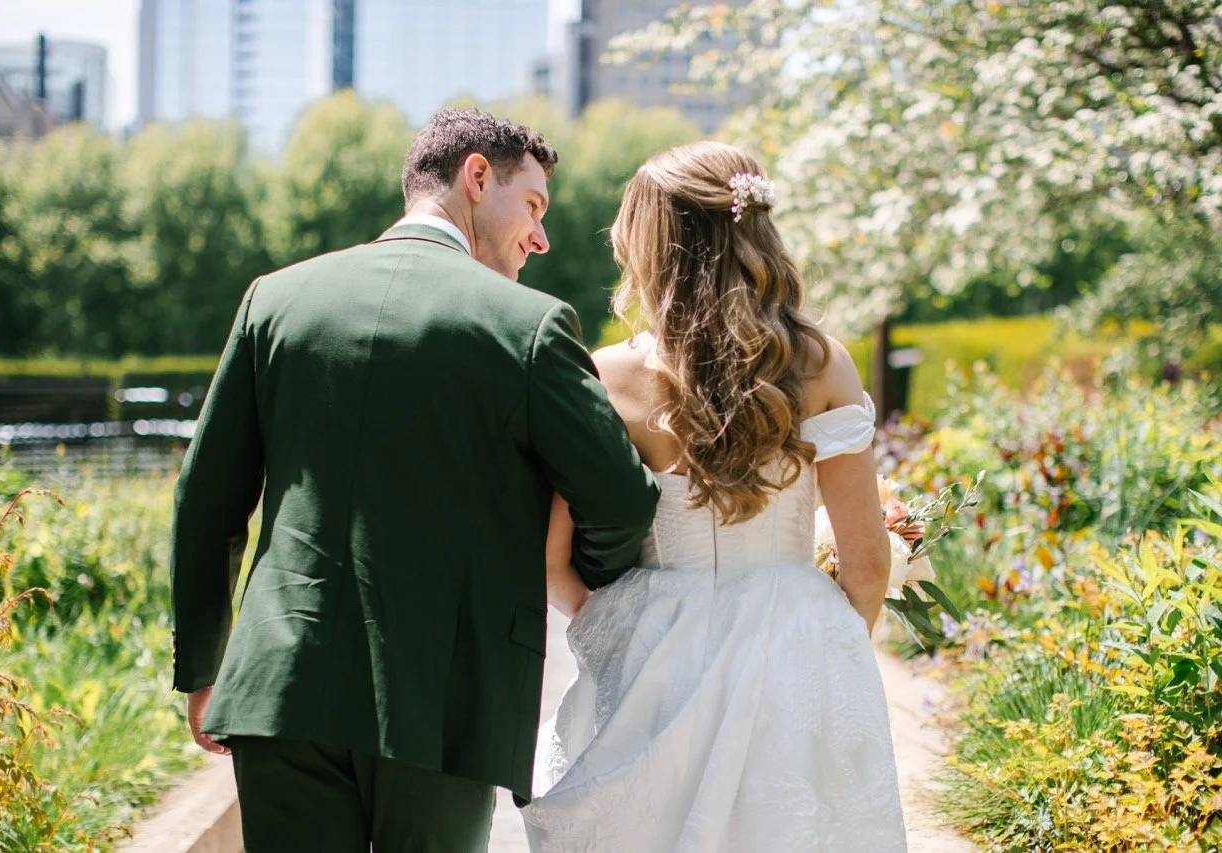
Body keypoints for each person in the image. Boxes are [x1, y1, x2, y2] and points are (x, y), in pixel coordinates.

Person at [168, 109, 660, 853]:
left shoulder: (274, 299)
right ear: (475, 175)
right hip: (445, 700)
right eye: (532, 206)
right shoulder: (530, 327)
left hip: (282, 687)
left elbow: (208, 498)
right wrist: (574, 580)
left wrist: (203, 664)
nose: (541, 237)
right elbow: (620, 499)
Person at [522, 141, 908, 851]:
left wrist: (612, 623)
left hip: (653, 640)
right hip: (795, 636)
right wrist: (827, 643)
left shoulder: (607, 374)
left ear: (653, 246)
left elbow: (552, 560)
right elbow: (866, 563)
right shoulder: (822, 362)